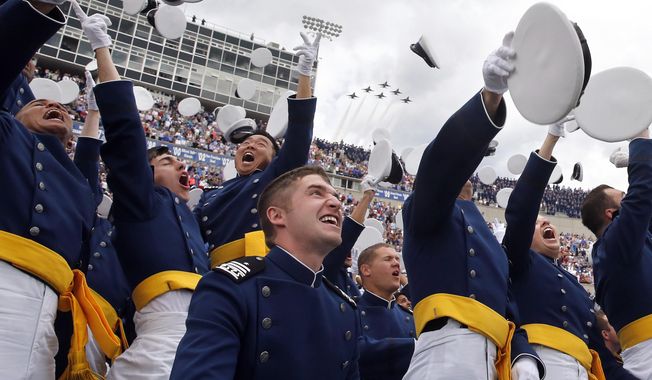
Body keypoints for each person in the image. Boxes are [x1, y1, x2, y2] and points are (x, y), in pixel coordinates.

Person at [75, 3, 209, 378]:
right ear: (144, 174)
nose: (183, 166)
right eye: (168, 162)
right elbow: (127, 134)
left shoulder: (194, 219)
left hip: (209, 335)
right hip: (163, 338)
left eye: (182, 163)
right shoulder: (141, 203)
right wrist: (103, 50)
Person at [401, 32, 543, 380]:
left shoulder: (489, 242)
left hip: (498, 358)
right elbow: (443, 163)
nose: (465, 173)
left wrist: (524, 355)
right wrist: (491, 96)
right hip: (446, 352)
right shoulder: (425, 208)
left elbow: (507, 305)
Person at [0, 1, 121, 378]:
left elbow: (87, 170)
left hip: (47, 313)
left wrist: (95, 113)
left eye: (61, 108)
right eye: (39, 102)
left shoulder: (74, 182)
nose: (53, 104)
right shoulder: (4, 133)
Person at [171, 166, 360, 379]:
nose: (336, 203)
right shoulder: (228, 288)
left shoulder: (344, 309)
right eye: (316, 193)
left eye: (336, 196)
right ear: (277, 216)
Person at [503, 126, 635, 379]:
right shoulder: (517, 262)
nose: (545, 223)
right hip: (539, 366)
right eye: (537, 223)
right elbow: (521, 213)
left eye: (548, 221)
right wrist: (551, 138)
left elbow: (604, 359)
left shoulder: (576, 287)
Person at [194, 32, 319, 268]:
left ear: (274, 159)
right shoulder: (207, 196)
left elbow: (300, 131)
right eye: (245, 143)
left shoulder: (272, 180)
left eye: (261, 144)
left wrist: (304, 75)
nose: (250, 145)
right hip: (213, 276)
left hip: (259, 270)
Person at [580, 127, 652, 379]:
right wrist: (638, 134)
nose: (628, 196)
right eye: (623, 197)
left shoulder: (629, 244)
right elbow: (642, 194)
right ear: (612, 214)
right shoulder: (612, 245)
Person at [74, 71, 133, 375]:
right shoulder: (92, 215)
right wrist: (95, 112)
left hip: (113, 328)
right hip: (71, 314)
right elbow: (85, 163)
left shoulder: (144, 229)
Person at [356, 243, 415, 379]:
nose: (396, 264)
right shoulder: (351, 311)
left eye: (397, 259)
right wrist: (414, 345)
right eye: (388, 259)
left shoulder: (409, 316)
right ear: (366, 270)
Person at [323, 177, 376, 298]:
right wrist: (367, 197)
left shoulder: (349, 281)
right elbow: (347, 236)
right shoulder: (327, 267)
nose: (349, 252)